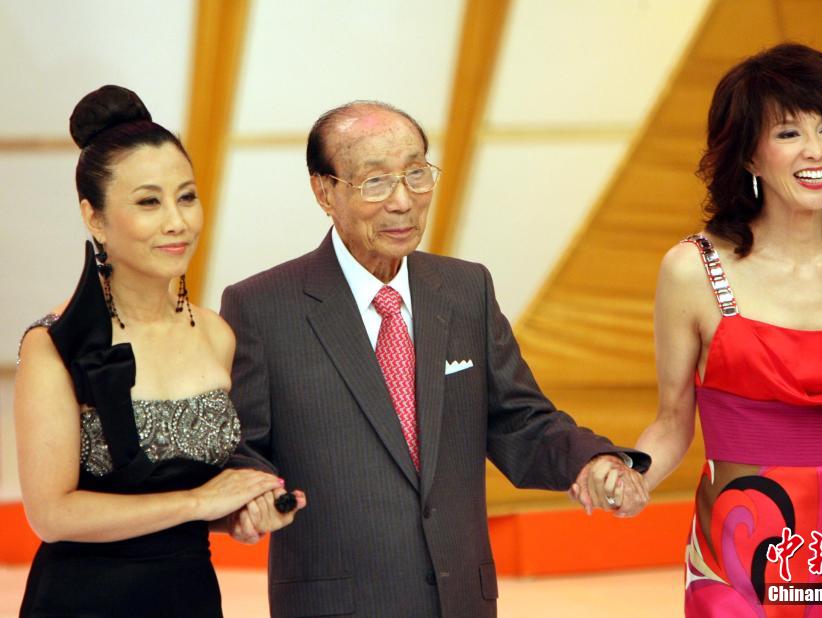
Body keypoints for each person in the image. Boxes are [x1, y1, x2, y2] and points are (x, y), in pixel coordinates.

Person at [220, 100, 651, 617]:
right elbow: (242, 447)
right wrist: (252, 498)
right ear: (324, 191)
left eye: (416, 174)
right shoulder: (262, 307)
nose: (403, 201)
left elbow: (520, 421)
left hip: (461, 600)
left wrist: (592, 459)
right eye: (375, 182)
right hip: (337, 604)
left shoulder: (466, 289)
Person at [630, 44, 822, 616]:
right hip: (736, 552)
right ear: (749, 156)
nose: (816, 149)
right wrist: (630, 473)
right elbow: (671, 422)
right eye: (789, 133)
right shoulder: (692, 270)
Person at [14, 85, 303, 618]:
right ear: (94, 218)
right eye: (149, 202)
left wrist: (242, 511)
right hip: (82, 602)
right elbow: (51, 516)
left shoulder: (216, 334)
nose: (177, 221)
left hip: (191, 595)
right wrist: (200, 502)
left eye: (186, 197)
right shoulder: (54, 343)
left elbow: (183, 502)